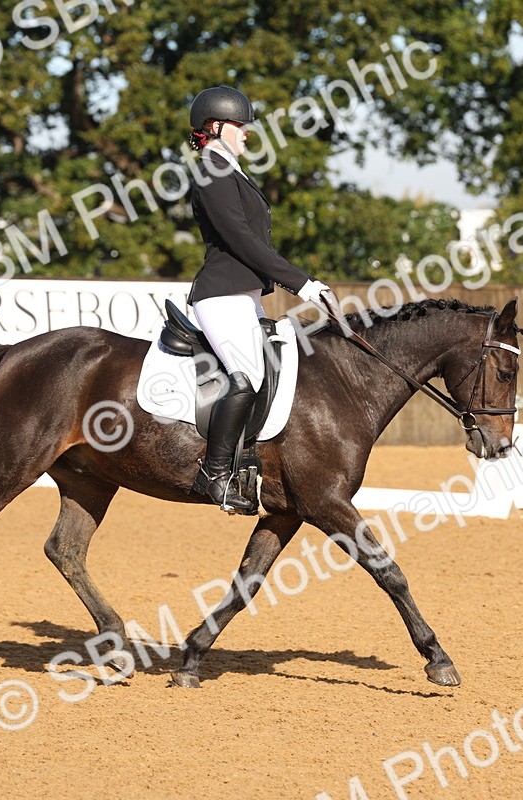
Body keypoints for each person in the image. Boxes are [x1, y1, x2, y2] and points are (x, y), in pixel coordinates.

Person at [185, 85, 334, 514]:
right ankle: (213, 474)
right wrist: (302, 283)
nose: (247, 133)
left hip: (244, 296)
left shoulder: (230, 170)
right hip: (221, 295)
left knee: (275, 368)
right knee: (247, 373)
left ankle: (249, 463)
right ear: (215, 127)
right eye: (240, 125)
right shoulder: (211, 171)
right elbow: (243, 241)